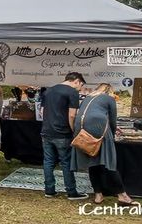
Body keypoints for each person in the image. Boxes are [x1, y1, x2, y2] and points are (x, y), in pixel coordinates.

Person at [71, 83, 138, 206]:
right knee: (108, 162)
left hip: (81, 129)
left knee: (92, 162)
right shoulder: (109, 98)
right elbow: (112, 119)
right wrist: (111, 136)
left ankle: (98, 195)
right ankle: (122, 195)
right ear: (110, 91)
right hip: (98, 126)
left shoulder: (88, 97)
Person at [40, 72, 88, 200]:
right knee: (66, 162)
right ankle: (71, 191)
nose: (80, 88)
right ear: (76, 81)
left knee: (48, 161)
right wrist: (74, 131)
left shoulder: (49, 90)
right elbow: (72, 115)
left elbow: (42, 111)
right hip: (63, 132)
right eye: (81, 85)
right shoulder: (72, 92)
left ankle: (49, 190)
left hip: (46, 131)